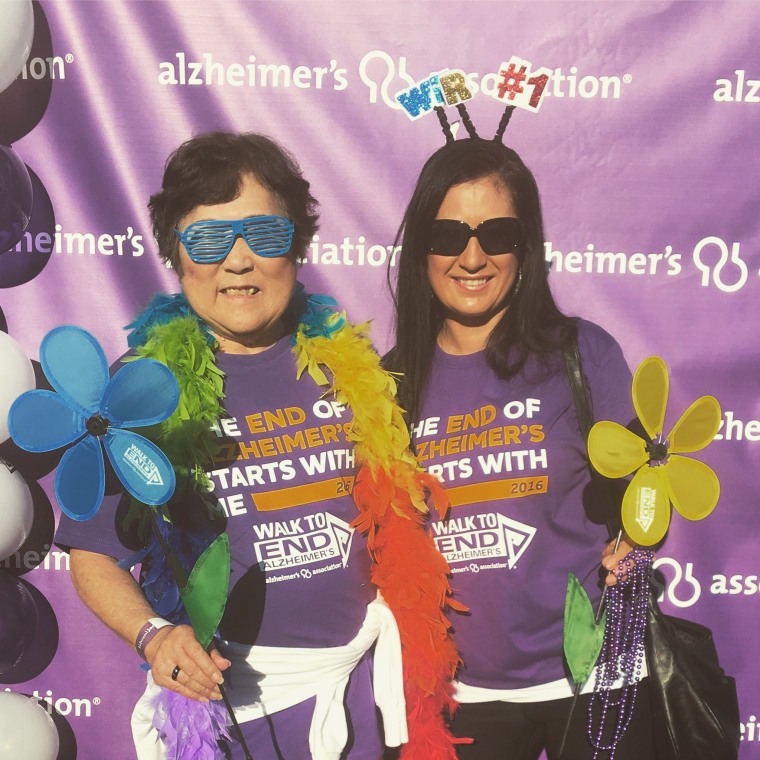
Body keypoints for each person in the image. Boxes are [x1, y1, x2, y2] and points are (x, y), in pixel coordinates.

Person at [55, 132, 458, 760]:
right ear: (174, 254)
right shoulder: (138, 393)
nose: (237, 262)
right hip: (224, 716)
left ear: (296, 246)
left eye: (264, 236)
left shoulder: (349, 368)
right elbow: (93, 553)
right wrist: (154, 637)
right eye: (209, 240)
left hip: (354, 702)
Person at [385, 131, 655, 759]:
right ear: (422, 249)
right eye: (449, 236)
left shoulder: (584, 353)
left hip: (596, 680)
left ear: (525, 245)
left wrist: (637, 549)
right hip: (458, 698)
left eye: (497, 235)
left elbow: (649, 489)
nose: (472, 258)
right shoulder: (388, 384)